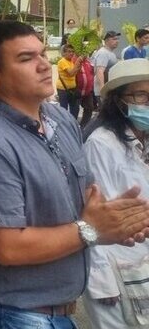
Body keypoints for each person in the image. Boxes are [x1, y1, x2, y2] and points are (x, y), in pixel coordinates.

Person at [0, 21, 149, 329]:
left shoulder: (59, 119)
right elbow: (8, 248)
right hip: (15, 314)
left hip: (58, 311)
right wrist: (92, 230)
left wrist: (119, 223)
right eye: (26, 58)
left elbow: (83, 198)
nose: (45, 65)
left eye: (43, 54)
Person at [82, 58, 149, 328]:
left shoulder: (143, 137)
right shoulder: (101, 144)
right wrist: (101, 281)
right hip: (117, 268)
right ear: (120, 101)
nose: (148, 103)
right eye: (141, 95)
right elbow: (97, 214)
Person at [92, 31, 121, 103]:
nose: (117, 41)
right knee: (105, 112)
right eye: (114, 39)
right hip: (103, 90)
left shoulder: (110, 53)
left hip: (109, 89)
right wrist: (102, 89)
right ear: (106, 41)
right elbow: (100, 71)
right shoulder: (103, 53)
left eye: (117, 39)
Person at [56, 44, 81, 120]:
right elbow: (71, 73)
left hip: (72, 89)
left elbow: (76, 72)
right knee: (64, 110)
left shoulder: (71, 62)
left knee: (75, 109)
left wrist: (79, 65)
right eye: (69, 51)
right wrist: (77, 64)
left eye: (73, 51)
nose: (71, 53)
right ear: (64, 53)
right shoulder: (62, 61)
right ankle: (64, 125)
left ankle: (73, 124)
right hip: (63, 89)